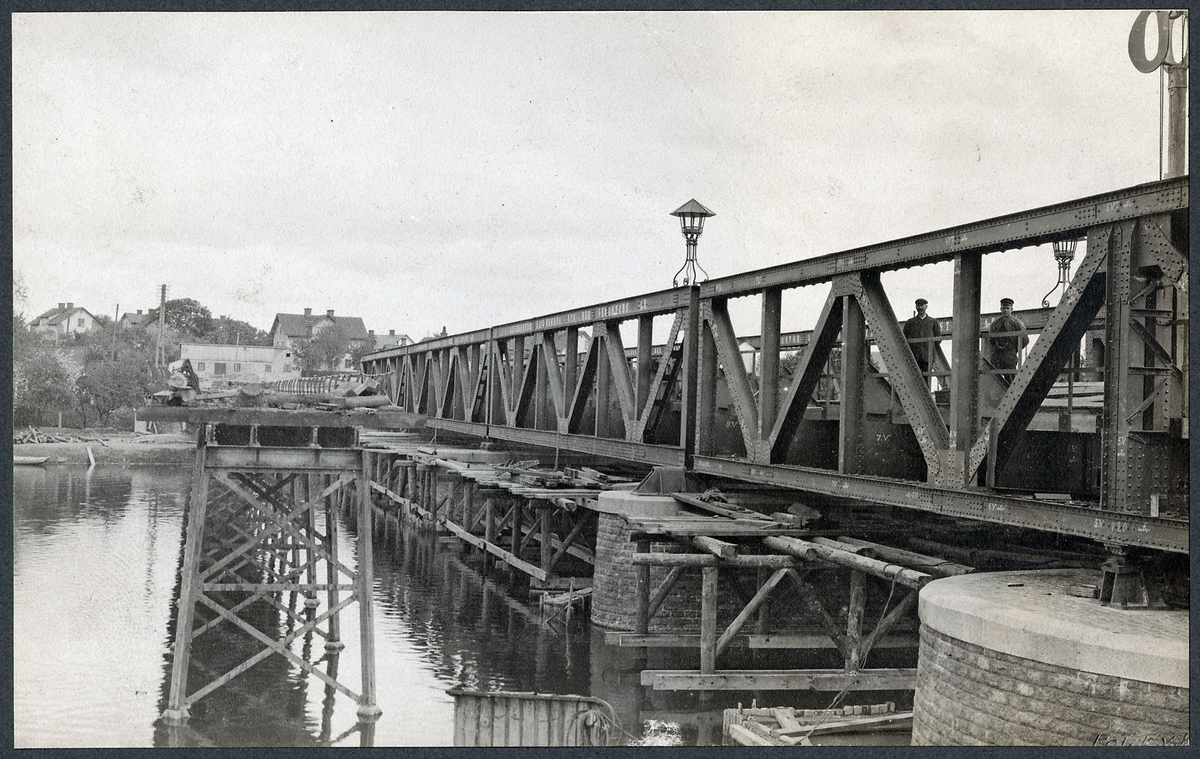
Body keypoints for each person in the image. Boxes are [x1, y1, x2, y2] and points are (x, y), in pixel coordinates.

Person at [902, 298, 940, 387]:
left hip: (928, 357)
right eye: (918, 305)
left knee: (927, 380)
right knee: (914, 380)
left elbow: (938, 338)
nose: (920, 308)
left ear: (926, 307)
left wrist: (929, 348)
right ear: (916, 307)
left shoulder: (933, 322)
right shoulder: (910, 322)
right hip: (914, 356)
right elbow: (904, 338)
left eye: (922, 305)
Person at [988, 298, 1029, 375]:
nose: (1005, 310)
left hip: (1010, 354)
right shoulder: (995, 324)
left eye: (1007, 308)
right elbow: (991, 339)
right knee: (994, 377)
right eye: (1003, 308)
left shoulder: (1017, 323)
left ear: (1012, 309)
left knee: (1010, 377)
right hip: (997, 354)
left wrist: (1014, 349)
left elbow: (1025, 340)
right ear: (1000, 309)